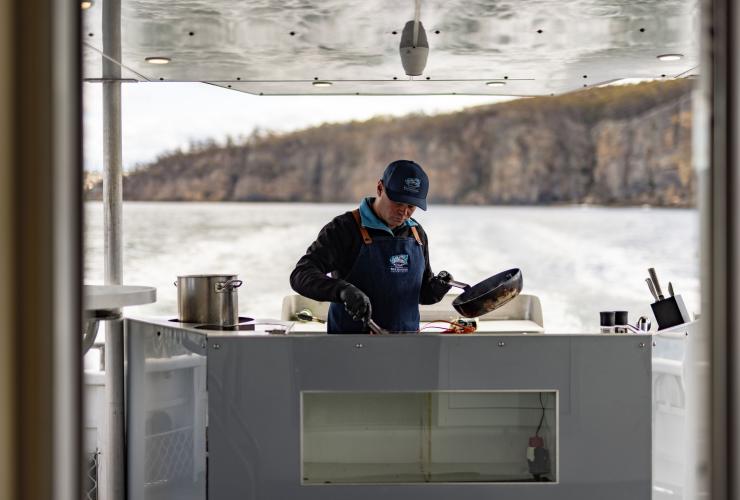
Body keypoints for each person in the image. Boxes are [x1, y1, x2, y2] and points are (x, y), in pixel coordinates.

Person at [289, 159, 453, 333]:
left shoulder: (417, 233)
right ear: (380, 188)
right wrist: (342, 290)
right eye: (398, 203)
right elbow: (300, 275)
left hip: (407, 346)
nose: (403, 212)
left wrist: (437, 287)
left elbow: (422, 294)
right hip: (350, 347)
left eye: (411, 206)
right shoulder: (344, 228)